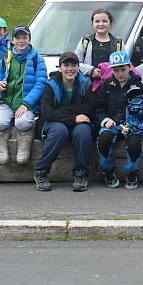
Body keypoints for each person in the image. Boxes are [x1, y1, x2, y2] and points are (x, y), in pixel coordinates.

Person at [32, 52, 95, 193]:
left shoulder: (85, 84)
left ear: (78, 67)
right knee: (60, 131)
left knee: (84, 131)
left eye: (74, 65)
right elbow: (47, 112)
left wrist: (63, 110)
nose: (70, 69)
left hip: (76, 121)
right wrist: (73, 118)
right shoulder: (51, 85)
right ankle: (41, 171)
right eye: (66, 65)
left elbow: (90, 108)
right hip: (53, 122)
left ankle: (81, 173)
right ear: (60, 68)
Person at [0, 24, 47, 165]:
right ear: (13, 40)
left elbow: (40, 84)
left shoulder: (37, 59)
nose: (21, 41)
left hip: (27, 103)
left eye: (24, 37)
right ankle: (1, 138)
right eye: (18, 38)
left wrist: (26, 104)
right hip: (7, 102)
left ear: (29, 39)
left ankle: (25, 138)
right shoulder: (6, 59)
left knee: (22, 124)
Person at [95, 51, 143, 190]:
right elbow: (98, 107)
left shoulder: (138, 86)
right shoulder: (106, 85)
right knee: (104, 139)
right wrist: (105, 120)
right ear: (111, 70)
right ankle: (106, 169)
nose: (120, 74)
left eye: (123, 69)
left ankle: (131, 171)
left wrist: (132, 123)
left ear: (129, 67)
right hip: (112, 122)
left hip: (131, 123)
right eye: (116, 70)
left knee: (135, 143)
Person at [75, 8, 122, 79]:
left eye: (104, 21)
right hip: (89, 83)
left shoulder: (118, 43)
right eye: (97, 21)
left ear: (110, 23)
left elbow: (125, 65)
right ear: (92, 24)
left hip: (111, 83)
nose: (101, 24)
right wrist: (91, 70)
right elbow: (75, 63)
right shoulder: (85, 41)